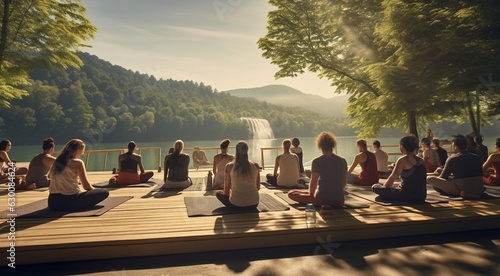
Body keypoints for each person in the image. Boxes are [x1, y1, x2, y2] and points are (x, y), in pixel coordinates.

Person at [48, 139, 109, 211]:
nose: (82, 154)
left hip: (53, 203)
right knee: (104, 192)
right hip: (69, 201)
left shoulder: (56, 162)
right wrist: (95, 191)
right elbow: (86, 186)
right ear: (77, 150)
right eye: (82, 151)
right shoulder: (77, 163)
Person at [288, 131, 346, 207]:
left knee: (291, 193)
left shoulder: (317, 161)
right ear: (332, 145)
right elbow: (343, 183)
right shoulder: (342, 161)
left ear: (320, 146)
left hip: (322, 199)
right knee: (299, 191)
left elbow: (313, 186)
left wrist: (313, 193)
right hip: (339, 200)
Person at [427, 134, 486, 199]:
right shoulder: (477, 157)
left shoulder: (453, 158)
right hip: (479, 188)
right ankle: (473, 194)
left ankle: (464, 194)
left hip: (462, 188)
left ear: (455, 146)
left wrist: (439, 174)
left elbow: (443, 177)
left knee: (430, 179)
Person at [372, 136, 427, 203]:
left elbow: (392, 178)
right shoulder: (421, 160)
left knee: (375, 187)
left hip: (406, 195)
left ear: (402, 147)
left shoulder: (402, 160)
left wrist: (384, 189)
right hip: (421, 196)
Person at [216, 141, 260, 210]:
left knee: (218, 193)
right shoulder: (255, 165)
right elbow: (258, 187)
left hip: (236, 205)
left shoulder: (229, 166)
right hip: (254, 204)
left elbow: (226, 191)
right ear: (247, 150)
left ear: (236, 150)